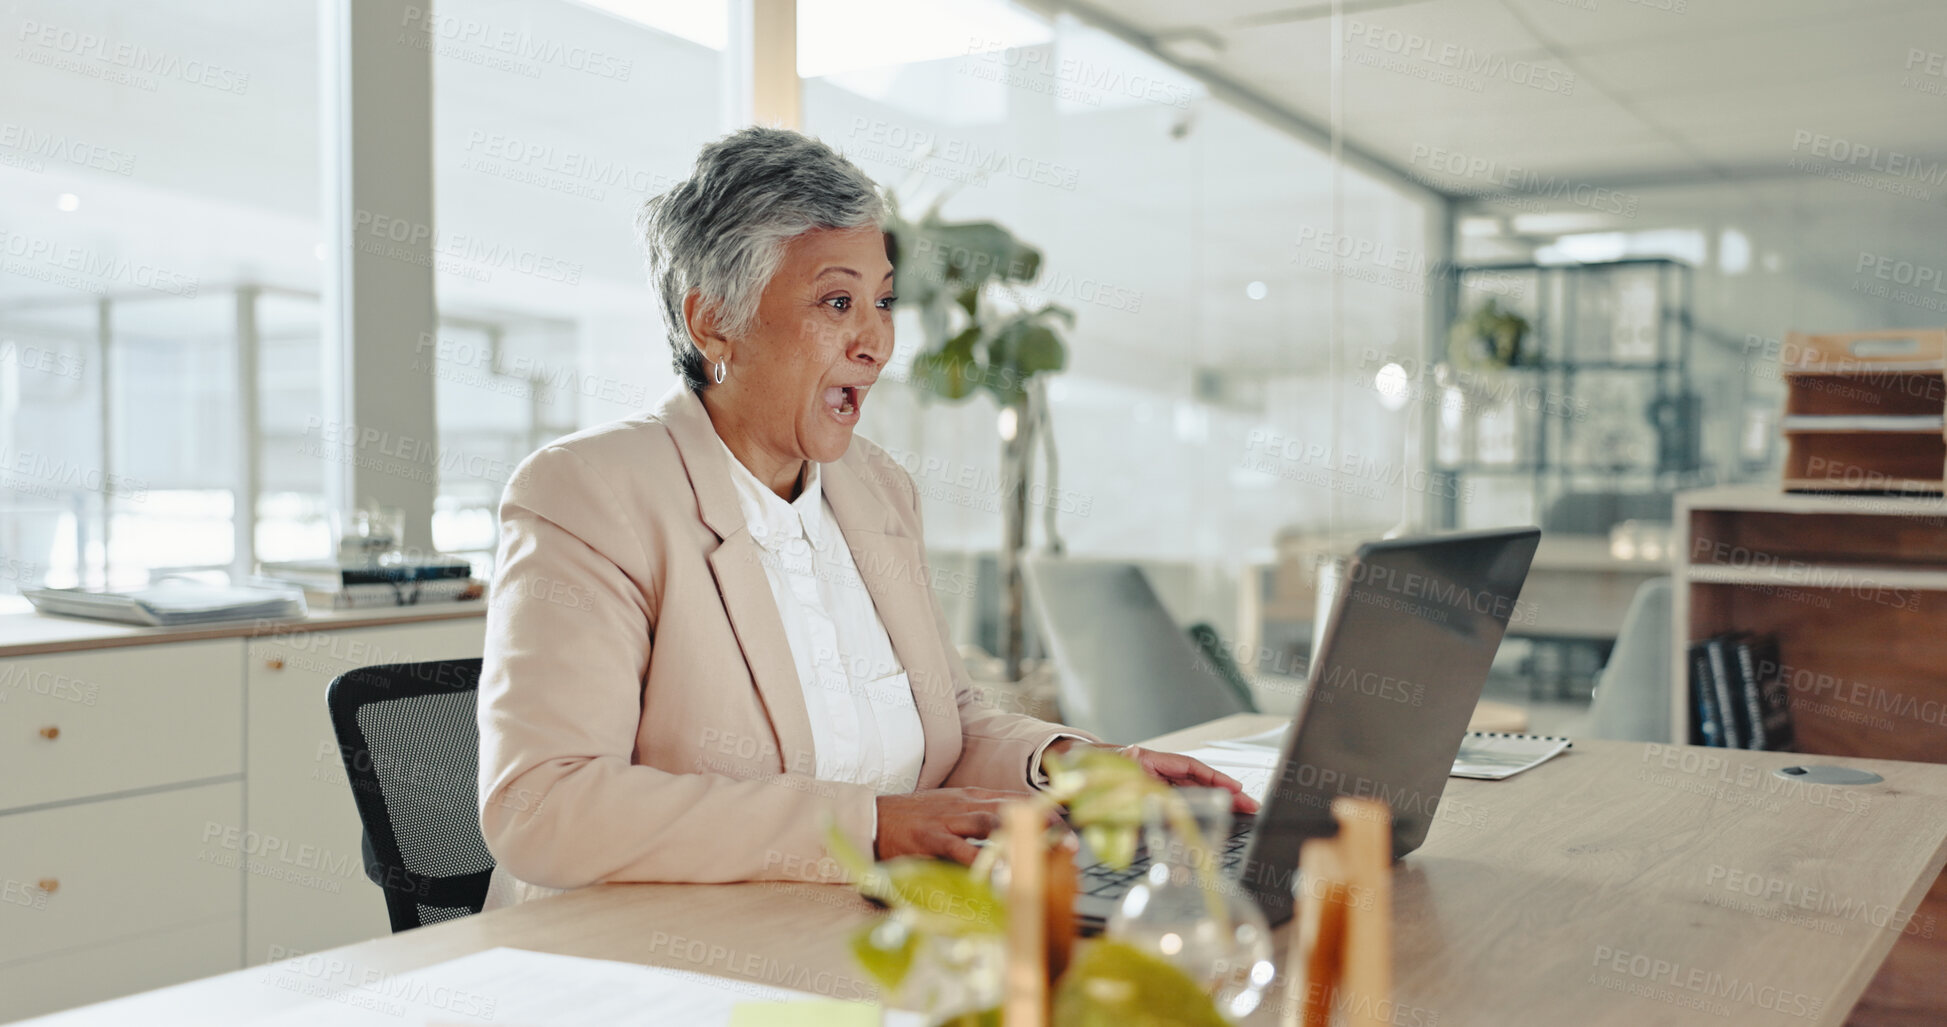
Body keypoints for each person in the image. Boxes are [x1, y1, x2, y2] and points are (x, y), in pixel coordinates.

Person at [475, 127, 1252, 908]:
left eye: (883, 301)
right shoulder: (588, 492)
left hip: (854, 923)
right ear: (713, 321)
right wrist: (869, 825)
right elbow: (544, 805)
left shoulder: (874, 488)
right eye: (836, 302)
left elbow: (944, 723)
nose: (875, 342)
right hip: (639, 958)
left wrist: (1067, 764)